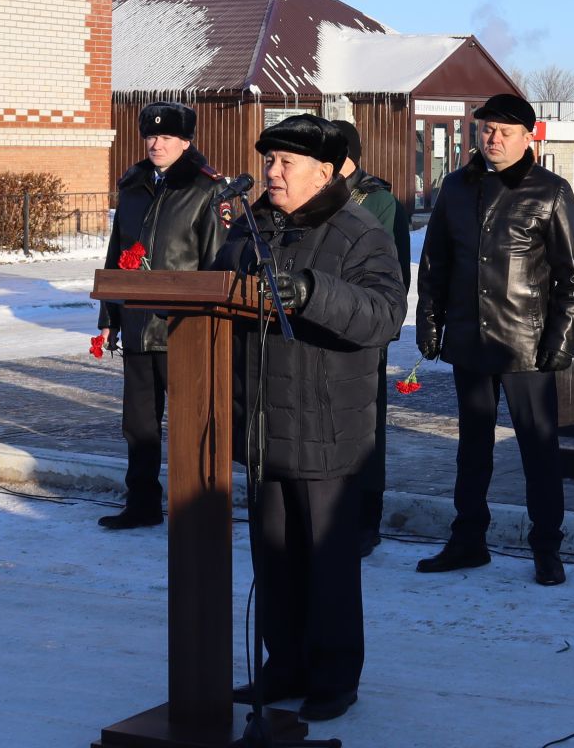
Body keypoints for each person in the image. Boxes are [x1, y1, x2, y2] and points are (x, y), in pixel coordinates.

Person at [216, 114, 405, 722]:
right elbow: (212, 294)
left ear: (323, 171)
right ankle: (285, 664)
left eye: (285, 163)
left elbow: (383, 315)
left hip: (327, 428)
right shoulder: (252, 230)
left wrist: (312, 291)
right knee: (275, 559)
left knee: (326, 564)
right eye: (268, 160)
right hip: (265, 426)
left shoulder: (359, 232)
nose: (272, 173)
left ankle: (333, 675)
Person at [414, 92, 574, 586]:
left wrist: (560, 341)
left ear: (527, 136)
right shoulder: (455, 187)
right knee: (472, 448)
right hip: (471, 340)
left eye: (504, 132)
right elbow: (435, 265)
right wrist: (430, 322)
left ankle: (547, 547)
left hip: (526, 344)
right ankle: (469, 539)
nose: (493, 139)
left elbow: (573, 276)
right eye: (486, 129)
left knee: (538, 448)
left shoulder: (549, 191)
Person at [95, 100, 227, 530]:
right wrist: (110, 317)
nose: (156, 143)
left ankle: (195, 505)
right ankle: (143, 504)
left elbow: (217, 264)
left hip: (183, 328)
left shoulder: (206, 190)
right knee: (138, 424)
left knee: (191, 423)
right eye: (150, 136)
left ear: (186, 141)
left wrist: (211, 324)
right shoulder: (133, 187)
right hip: (137, 324)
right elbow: (118, 253)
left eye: (167, 136)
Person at [331, 119, 413, 557]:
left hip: (363, 329)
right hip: (317, 326)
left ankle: (367, 517)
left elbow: (393, 269)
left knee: (366, 428)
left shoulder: (377, 200)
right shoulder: (311, 195)